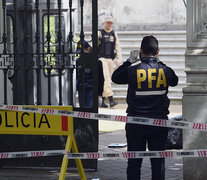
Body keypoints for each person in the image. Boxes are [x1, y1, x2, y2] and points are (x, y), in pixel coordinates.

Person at [112, 35, 178, 180]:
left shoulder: (132, 70)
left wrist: (129, 61)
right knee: (158, 162)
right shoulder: (165, 70)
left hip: (135, 122)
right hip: (158, 123)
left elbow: (115, 78)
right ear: (158, 51)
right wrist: (159, 63)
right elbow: (175, 81)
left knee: (134, 162)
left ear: (141, 51)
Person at [98, 16, 122, 108]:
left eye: (110, 23)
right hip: (102, 59)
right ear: (105, 23)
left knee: (107, 80)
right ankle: (111, 99)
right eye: (107, 22)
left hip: (110, 60)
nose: (109, 24)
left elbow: (118, 48)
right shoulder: (100, 33)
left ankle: (103, 101)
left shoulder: (114, 34)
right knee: (106, 78)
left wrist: (119, 60)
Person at [76, 40, 104, 108]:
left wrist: (100, 94)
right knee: (82, 111)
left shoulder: (97, 62)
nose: (81, 55)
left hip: (91, 90)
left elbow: (101, 79)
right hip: (81, 89)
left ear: (88, 49)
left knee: (90, 111)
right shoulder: (78, 61)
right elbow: (77, 76)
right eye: (79, 53)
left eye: (83, 52)